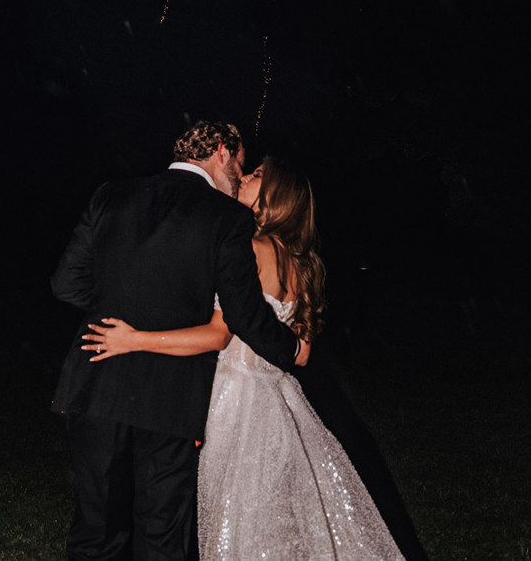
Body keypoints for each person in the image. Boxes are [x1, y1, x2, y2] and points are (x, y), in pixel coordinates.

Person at [83, 156, 407, 561]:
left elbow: (218, 335)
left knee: (226, 517)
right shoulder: (304, 263)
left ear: (273, 197)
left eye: (255, 176)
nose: (245, 176)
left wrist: (135, 339)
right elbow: (301, 355)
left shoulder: (247, 247)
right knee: (276, 520)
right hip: (280, 403)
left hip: (232, 402)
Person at [50, 121, 300, 561]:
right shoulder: (228, 217)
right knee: (161, 534)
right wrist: (292, 350)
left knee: (95, 529)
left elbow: (65, 284)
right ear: (222, 152)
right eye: (241, 164)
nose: (240, 177)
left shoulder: (111, 194)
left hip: (99, 379)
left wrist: (118, 302)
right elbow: (244, 313)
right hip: (170, 394)